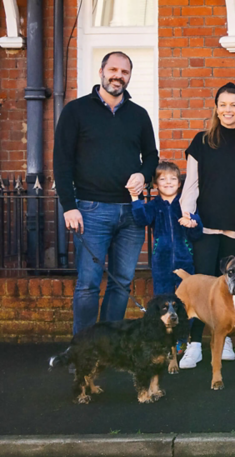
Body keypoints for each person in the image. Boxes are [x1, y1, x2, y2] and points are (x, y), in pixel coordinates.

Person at [54, 51, 158, 334]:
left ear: (129, 76)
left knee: (122, 282)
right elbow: (61, 161)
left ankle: (108, 348)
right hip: (90, 210)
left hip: (131, 213)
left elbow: (151, 155)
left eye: (124, 72)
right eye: (113, 69)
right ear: (101, 71)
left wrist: (143, 175)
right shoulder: (76, 111)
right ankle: (83, 351)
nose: (118, 76)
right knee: (88, 284)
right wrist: (69, 205)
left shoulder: (139, 115)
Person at [179, 82, 235, 369]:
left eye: (233, 105)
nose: (228, 110)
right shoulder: (201, 141)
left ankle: (224, 339)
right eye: (223, 104)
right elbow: (192, 183)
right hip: (206, 226)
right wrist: (186, 212)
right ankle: (193, 345)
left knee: (228, 287)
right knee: (201, 287)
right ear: (216, 108)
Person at [131, 161, 203, 295]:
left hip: (185, 260)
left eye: (173, 179)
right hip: (161, 262)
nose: (168, 182)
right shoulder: (154, 205)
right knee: (163, 299)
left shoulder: (185, 204)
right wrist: (135, 198)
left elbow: (196, 234)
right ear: (156, 184)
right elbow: (141, 220)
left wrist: (194, 223)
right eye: (163, 179)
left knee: (188, 299)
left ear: (179, 183)